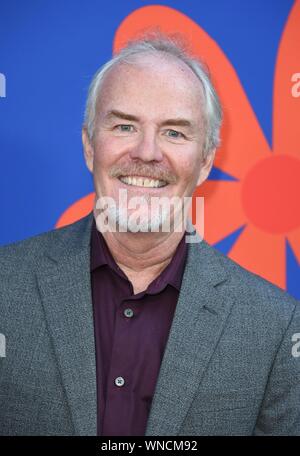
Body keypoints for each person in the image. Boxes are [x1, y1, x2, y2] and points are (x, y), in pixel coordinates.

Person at [0, 35, 299, 437]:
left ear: (206, 161)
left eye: (174, 133)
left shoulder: (275, 325)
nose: (146, 152)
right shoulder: (6, 285)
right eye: (125, 126)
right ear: (90, 146)